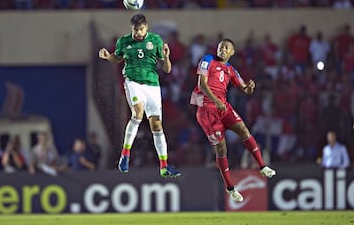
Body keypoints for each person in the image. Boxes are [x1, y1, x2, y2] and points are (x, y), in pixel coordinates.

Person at [190, 38, 276, 202]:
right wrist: (215, 100)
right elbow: (202, 84)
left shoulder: (230, 69)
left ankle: (262, 166)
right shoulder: (208, 60)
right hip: (207, 110)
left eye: (226, 48)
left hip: (223, 107)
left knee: (244, 130)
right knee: (222, 149)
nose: (222, 50)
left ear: (232, 52)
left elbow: (245, 88)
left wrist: (249, 88)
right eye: (220, 47)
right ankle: (230, 187)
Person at [98, 13, 181, 178]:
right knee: (138, 113)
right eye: (135, 30)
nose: (138, 33)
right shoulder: (123, 41)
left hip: (152, 85)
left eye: (141, 29)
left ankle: (164, 167)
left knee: (157, 126)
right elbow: (117, 58)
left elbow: (167, 69)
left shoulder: (155, 41)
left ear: (146, 27)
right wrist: (108, 57)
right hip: (133, 82)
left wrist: (166, 57)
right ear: (132, 28)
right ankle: (125, 155)